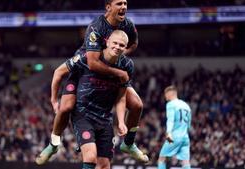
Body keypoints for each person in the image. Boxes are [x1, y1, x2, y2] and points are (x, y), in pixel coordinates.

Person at [36, 0, 147, 164]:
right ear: (108, 7)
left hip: (111, 69)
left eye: (125, 3)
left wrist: (118, 55)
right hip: (84, 68)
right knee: (66, 107)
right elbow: (93, 63)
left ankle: (129, 143)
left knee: (137, 105)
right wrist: (53, 99)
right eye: (119, 3)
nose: (124, 7)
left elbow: (134, 43)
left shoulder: (128, 25)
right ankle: (53, 143)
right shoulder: (96, 27)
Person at [71, 30, 130, 169]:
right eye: (115, 43)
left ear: (125, 48)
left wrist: (121, 122)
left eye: (121, 45)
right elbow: (60, 72)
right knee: (90, 157)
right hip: (83, 115)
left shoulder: (127, 66)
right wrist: (56, 100)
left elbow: (121, 97)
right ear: (107, 42)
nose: (117, 46)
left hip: (105, 119)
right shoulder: (88, 57)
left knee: (104, 164)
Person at [158, 86, 192, 169]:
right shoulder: (186, 106)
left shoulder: (170, 104)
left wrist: (169, 133)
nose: (165, 96)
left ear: (170, 93)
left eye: (165, 94)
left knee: (161, 158)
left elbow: (170, 120)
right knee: (186, 162)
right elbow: (189, 124)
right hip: (185, 137)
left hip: (175, 136)